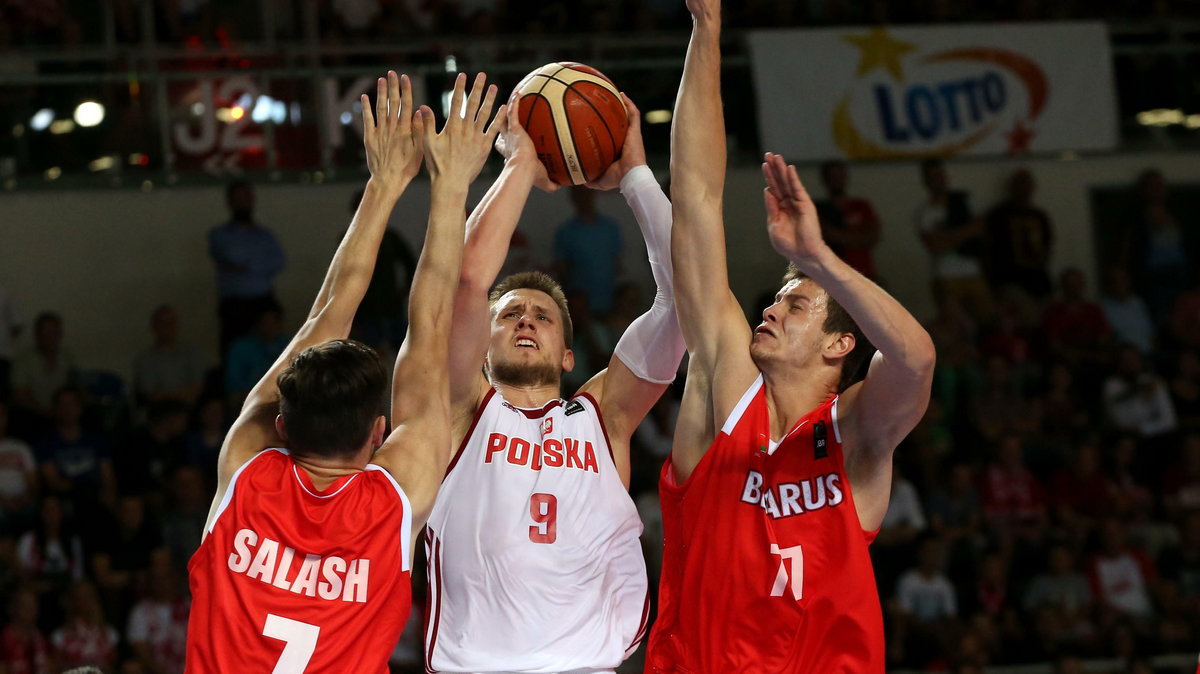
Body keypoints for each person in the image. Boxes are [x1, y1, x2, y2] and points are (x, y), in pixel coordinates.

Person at [644, 0, 935, 670]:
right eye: (777, 299)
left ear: (841, 346)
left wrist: (820, 262)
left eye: (797, 304)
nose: (771, 311)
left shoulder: (859, 431)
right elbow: (694, 200)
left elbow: (915, 359)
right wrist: (708, 33)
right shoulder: (727, 391)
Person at [184, 71, 501, 672]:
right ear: (377, 434)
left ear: (281, 424)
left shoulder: (246, 472)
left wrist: (383, 187)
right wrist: (448, 188)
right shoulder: (393, 498)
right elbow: (430, 332)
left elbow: (328, 315)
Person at [423, 92, 686, 670]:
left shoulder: (605, 415)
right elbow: (465, 281)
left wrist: (636, 175)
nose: (525, 320)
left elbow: (685, 301)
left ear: (570, 355)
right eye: (510, 314)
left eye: (543, 316)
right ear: (481, 345)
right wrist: (521, 164)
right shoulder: (458, 408)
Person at [208, 179, 287, 358]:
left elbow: (279, 262)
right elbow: (231, 257)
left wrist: (247, 265)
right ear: (230, 202)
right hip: (235, 307)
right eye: (238, 198)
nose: (243, 203)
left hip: (264, 303)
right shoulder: (219, 234)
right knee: (234, 352)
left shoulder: (266, 235)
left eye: (247, 198)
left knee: (273, 355)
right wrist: (259, 262)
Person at [914, 158, 993, 324]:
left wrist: (947, 236)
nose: (938, 180)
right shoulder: (925, 212)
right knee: (955, 324)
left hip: (974, 272)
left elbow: (982, 228)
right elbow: (934, 246)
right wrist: (966, 233)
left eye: (940, 175)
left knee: (988, 320)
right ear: (926, 181)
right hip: (945, 276)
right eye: (932, 177)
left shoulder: (965, 201)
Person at [551, 185, 624, 317]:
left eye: (587, 193)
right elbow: (562, 270)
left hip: (608, 300)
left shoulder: (611, 228)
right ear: (573, 197)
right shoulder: (565, 231)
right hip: (578, 307)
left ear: (594, 195)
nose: (584, 198)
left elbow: (617, 264)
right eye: (579, 194)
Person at [984, 168, 1054, 301]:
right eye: (1020, 184)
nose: (1024, 189)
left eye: (1027, 184)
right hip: (1009, 281)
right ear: (1012, 187)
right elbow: (988, 248)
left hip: (1039, 281)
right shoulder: (998, 215)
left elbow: (1047, 246)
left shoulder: (1039, 216)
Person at [813, 160, 881, 281]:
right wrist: (857, 237)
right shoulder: (817, 209)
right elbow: (826, 236)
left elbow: (873, 236)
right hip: (832, 277)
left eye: (840, 176)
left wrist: (840, 236)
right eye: (832, 177)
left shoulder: (861, 205)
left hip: (864, 275)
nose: (837, 180)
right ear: (825, 180)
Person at [132, 305, 206, 409]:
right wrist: (177, 397)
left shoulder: (191, 354)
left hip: (189, 409)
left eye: (171, 323)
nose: (167, 327)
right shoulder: (145, 359)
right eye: (163, 323)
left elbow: (197, 387)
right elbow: (150, 394)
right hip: (159, 412)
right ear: (154, 327)